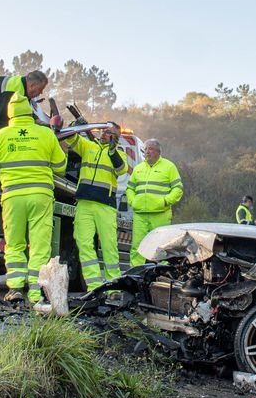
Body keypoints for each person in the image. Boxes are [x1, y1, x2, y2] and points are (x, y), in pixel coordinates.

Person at [0, 94, 66, 304]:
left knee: (14, 244)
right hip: (40, 196)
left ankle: (15, 289)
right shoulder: (45, 134)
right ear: (31, 112)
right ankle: (35, 293)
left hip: (13, 196)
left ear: (9, 113)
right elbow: (60, 167)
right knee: (39, 245)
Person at [63, 123, 129, 289]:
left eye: (110, 133)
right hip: (84, 203)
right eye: (104, 131)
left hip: (105, 206)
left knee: (109, 246)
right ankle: (94, 285)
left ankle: (113, 285)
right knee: (84, 243)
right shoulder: (89, 146)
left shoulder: (119, 153)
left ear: (116, 137)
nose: (105, 134)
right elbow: (70, 137)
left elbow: (121, 170)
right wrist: (75, 126)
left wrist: (113, 150)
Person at [126, 139, 183, 267]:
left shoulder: (169, 166)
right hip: (140, 214)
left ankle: (161, 276)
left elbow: (178, 189)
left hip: (160, 214)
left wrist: (165, 201)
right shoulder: (138, 168)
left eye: (150, 149)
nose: (147, 152)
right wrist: (133, 201)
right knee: (137, 247)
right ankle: (136, 275)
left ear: (158, 151)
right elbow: (130, 188)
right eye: (145, 149)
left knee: (161, 247)